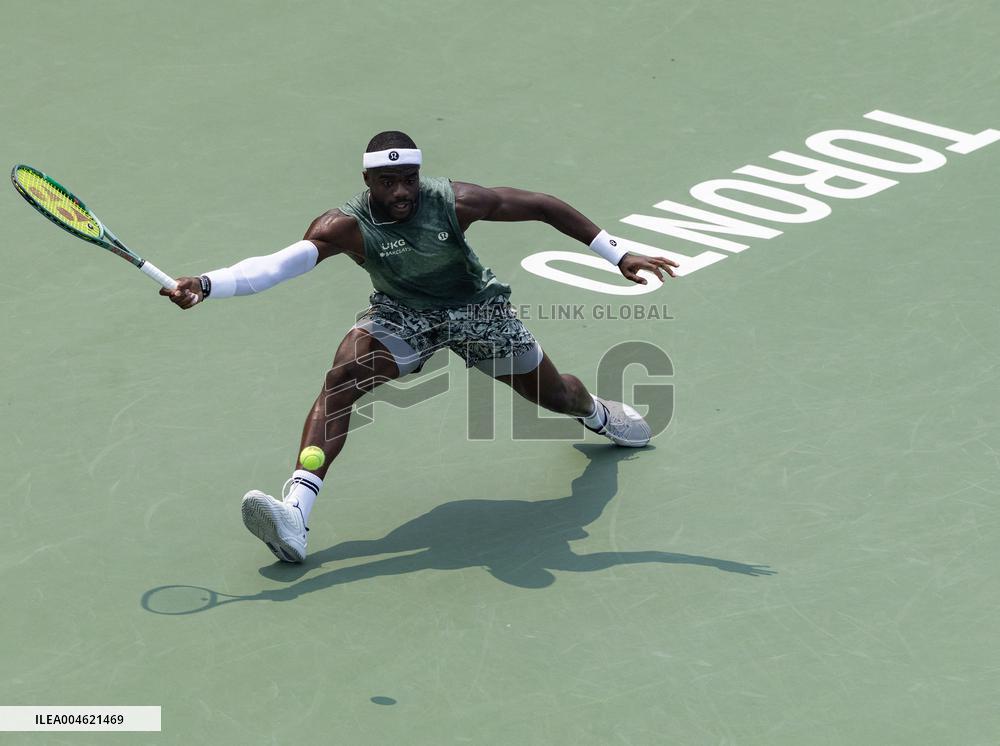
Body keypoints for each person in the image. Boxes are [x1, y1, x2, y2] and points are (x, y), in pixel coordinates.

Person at [161, 131, 677, 563]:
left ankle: (597, 413)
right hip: (402, 314)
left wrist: (618, 254)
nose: (402, 191)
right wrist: (206, 283)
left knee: (557, 398)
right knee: (342, 379)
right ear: (368, 182)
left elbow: (542, 206)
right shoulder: (343, 226)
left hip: (478, 311)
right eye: (388, 182)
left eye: (408, 178)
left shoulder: (454, 201)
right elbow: (275, 266)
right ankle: (295, 514)